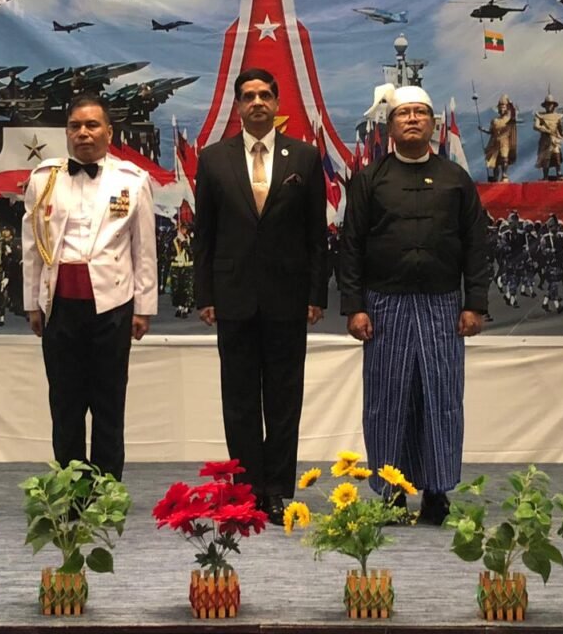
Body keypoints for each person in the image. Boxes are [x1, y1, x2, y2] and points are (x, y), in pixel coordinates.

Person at [340, 84, 489, 526]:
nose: (412, 120)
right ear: (390, 127)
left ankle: (437, 492)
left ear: (433, 125)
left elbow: (476, 245)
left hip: (443, 306)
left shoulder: (455, 179)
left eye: (420, 114)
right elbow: (351, 247)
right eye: (403, 114)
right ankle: (391, 492)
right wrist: (355, 307)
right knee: (387, 400)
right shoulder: (370, 179)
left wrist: (474, 303)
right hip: (384, 307)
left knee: (441, 398)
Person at [193, 67, 327, 524]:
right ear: (237, 105)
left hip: (288, 297)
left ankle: (277, 489)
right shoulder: (213, 159)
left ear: (276, 103)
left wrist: (316, 294)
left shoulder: (305, 157)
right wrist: (205, 294)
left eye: (264, 95)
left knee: (285, 398)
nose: (256, 103)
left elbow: (316, 235)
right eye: (248, 96)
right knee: (240, 399)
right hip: (232, 296)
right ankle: (247, 490)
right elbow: (204, 236)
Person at [21, 93, 157, 480]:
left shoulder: (132, 180)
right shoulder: (44, 179)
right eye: (75, 126)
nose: (83, 132)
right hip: (60, 305)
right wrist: (32, 302)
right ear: (66, 132)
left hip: (112, 305)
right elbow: (31, 245)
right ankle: (70, 490)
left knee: (108, 403)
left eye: (92, 125)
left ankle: (107, 492)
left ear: (109, 132)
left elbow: (144, 249)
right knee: (65, 404)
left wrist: (144, 308)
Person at [482, 94, 518, 182]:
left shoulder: (509, 119)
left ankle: (504, 175)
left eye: (504, 107)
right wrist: (483, 130)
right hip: (495, 142)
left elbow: (514, 113)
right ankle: (495, 177)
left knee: (504, 158)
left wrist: (511, 104)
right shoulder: (495, 121)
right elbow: (491, 132)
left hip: (505, 141)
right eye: (500, 107)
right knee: (495, 161)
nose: (502, 109)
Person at [533, 93, 563, 180]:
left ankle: (559, 173)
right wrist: (544, 129)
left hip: (555, 140)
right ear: (545, 106)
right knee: (546, 158)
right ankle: (545, 176)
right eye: (547, 104)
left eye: (550, 104)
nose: (549, 106)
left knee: (557, 155)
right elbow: (536, 126)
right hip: (545, 140)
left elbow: (561, 130)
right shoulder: (540, 116)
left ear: (553, 106)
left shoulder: (558, 116)